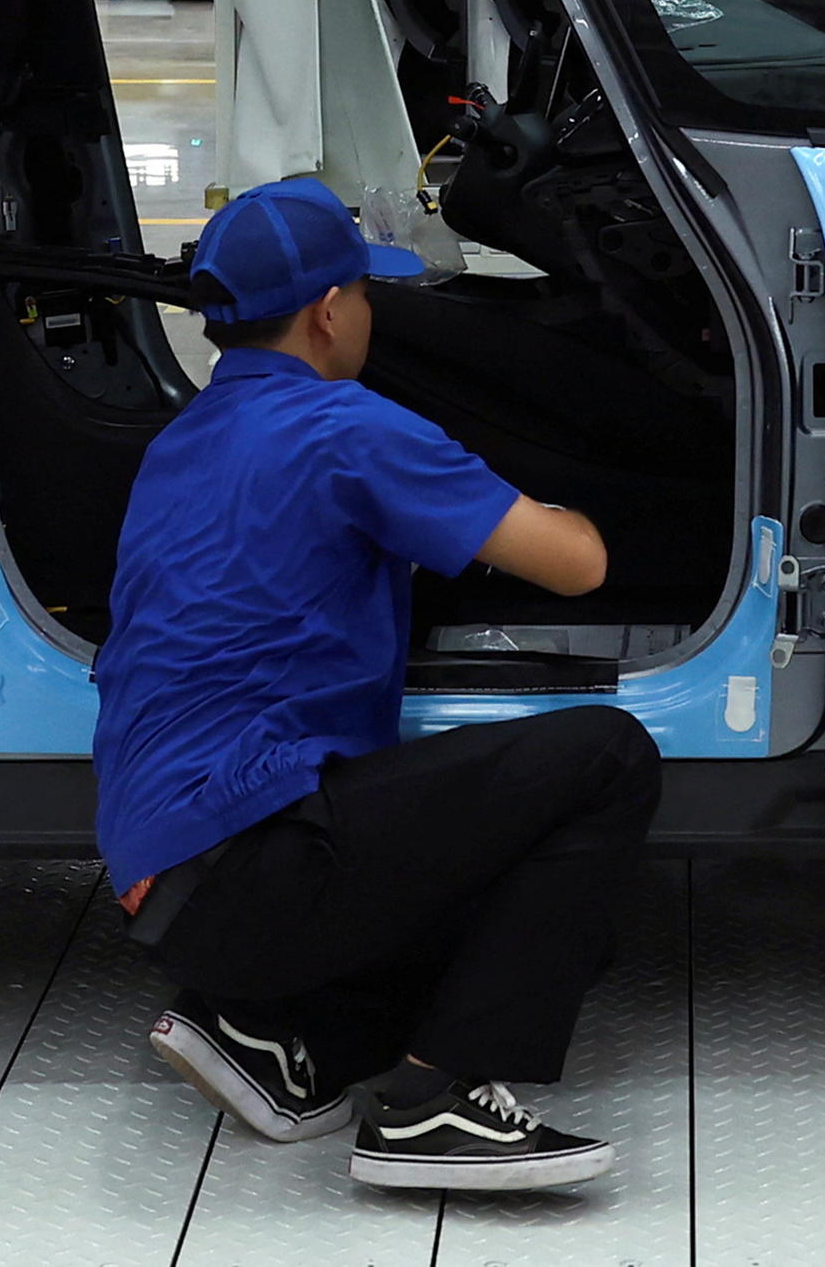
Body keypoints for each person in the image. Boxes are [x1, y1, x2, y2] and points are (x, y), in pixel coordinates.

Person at [99, 173, 657, 1193]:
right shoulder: (348, 427)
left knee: (556, 930)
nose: (371, 313)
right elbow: (575, 563)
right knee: (606, 760)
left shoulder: (180, 442)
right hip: (257, 857)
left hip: (166, 885)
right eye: (365, 294)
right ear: (326, 314)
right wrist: (545, 498)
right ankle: (428, 1106)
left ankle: (274, 1036)